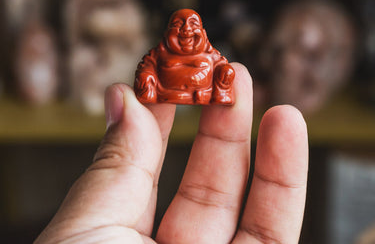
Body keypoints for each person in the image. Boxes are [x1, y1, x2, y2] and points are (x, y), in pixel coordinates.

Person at [35, 63, 308, 243]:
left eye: (192, 27)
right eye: (181, 27)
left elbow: (216, 70)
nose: (187, 32)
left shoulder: (205, 56)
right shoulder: (166, 56)